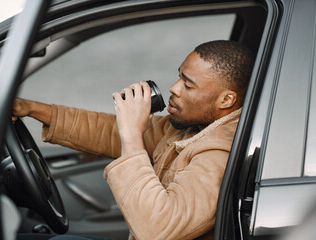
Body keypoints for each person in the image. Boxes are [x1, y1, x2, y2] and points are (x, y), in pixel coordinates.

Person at [13, 40, 254, 240]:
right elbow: (106, 131)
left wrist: (131, 134)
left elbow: (158, 229)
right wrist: (32, 109)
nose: (174, 88)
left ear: (226, 100)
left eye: (188, 85)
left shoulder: (219, 153)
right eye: (179, 77)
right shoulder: (194, 127)